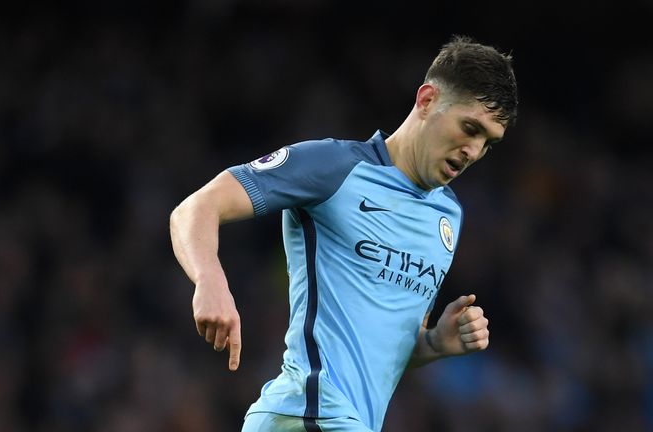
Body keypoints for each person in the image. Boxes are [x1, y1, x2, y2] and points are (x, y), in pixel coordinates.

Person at [169, 35, 518, 432]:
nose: (473, 150)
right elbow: (195, 208)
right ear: (427, 100)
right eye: (469, 127)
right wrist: (210, 278)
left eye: (488, 142)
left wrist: (435, 343)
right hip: (308, 412)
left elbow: (379, 346)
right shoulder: (335, 167)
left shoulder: (448, 215)